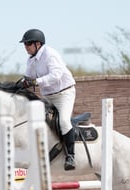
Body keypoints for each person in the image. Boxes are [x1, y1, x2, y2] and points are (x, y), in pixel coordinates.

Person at [19, 29, 76, 170]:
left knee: (63, 121)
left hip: (64, 95)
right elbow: (27, 77)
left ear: (38, 44)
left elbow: (55, 75)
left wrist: (35, 82)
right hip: (48, 97)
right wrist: (18, 84)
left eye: (28, 43)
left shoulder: (50, 54)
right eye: (25, 44)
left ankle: (70, 156)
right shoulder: (31, 59)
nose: (26, 46)